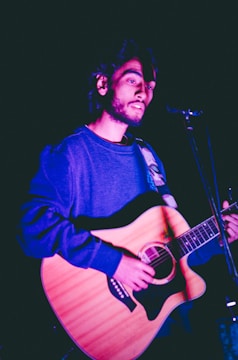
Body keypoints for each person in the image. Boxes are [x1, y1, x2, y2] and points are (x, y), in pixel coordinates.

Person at [17, 38, 238, 359]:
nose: (144, 92)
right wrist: (115, 263)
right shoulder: (70, 153)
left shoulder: (147, 155)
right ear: (104, 83)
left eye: (149, 85)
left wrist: (218, 236)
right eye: (133, 79)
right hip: (101, 325)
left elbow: (169, 250)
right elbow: (32, 229)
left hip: (164, 332)